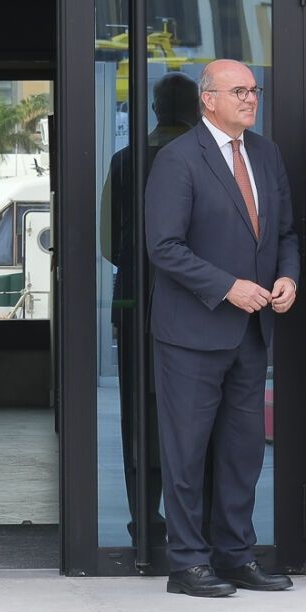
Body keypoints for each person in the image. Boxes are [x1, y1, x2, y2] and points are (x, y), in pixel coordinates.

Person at [143, 59, 300, 597]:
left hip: (252, 334)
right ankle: (187, 563)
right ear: (208, 99)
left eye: (253, 90)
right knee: (185, 453)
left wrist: (287, 276)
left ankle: (236, 555)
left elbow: (285, 232)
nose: (250, 99)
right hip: (191, 332)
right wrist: (227, 286)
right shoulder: (178, 158)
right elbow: (163, 247)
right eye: (238, 91)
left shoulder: (265, 152)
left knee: (242, 452)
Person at [100, 71, 200, 557]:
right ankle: (198, 525)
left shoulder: (124, 161)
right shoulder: (207, 161)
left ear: (157, 109)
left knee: (137, 413)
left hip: (133, 299)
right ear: (198, 109)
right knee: (194, 414)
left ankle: (145, 517)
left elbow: (105, 243)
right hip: (200, 305)